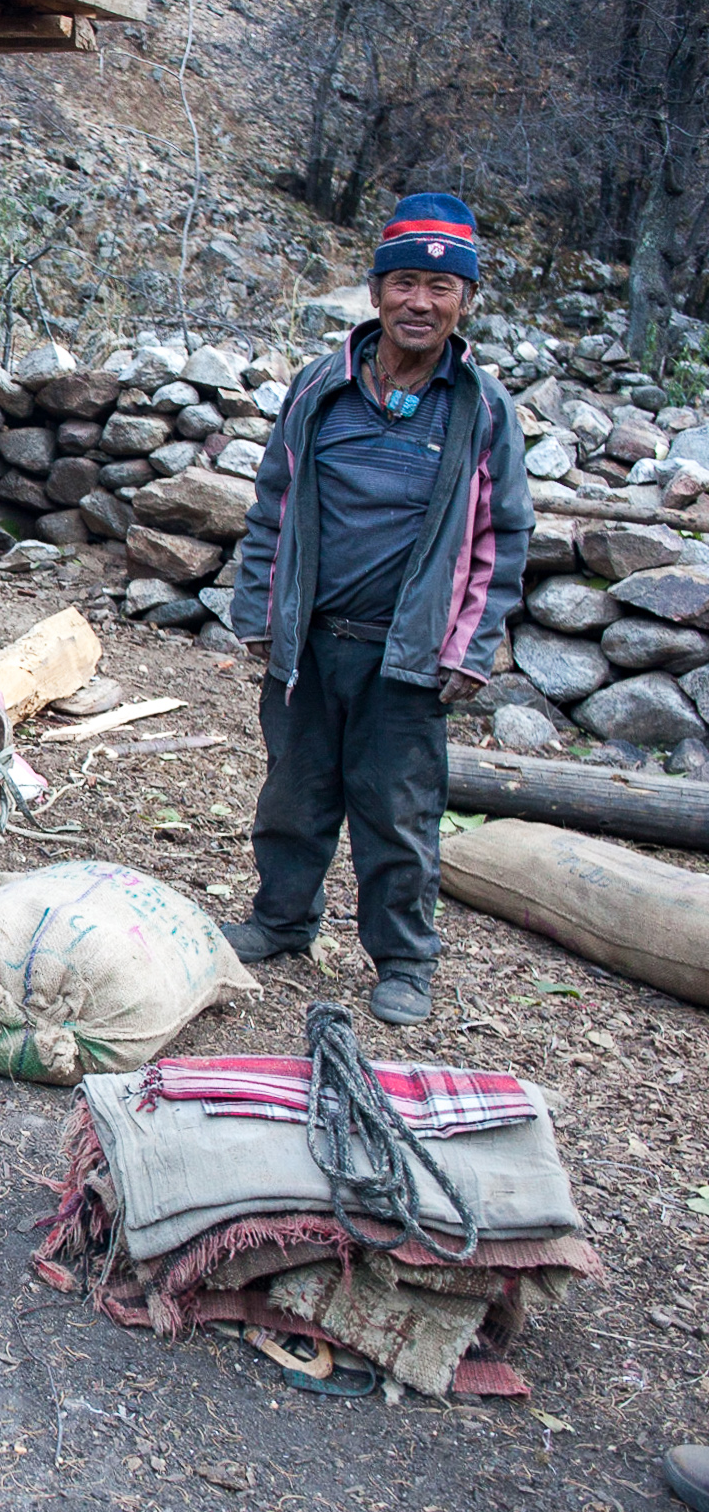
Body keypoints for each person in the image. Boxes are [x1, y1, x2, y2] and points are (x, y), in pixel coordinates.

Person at [224, 192, 533, 1024]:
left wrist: (469, 646)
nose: (419, 303)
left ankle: (402, 962)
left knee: (398, 816)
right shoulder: (324, 386)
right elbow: (273, 505)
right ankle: (281, 921)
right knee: (293, 793)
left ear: (466, 300)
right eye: (403, 283)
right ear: (376, 292)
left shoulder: (480, 407)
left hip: (408, 651)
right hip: (312, 645)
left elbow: (503, 539)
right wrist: (260, 611)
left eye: (440, 289)